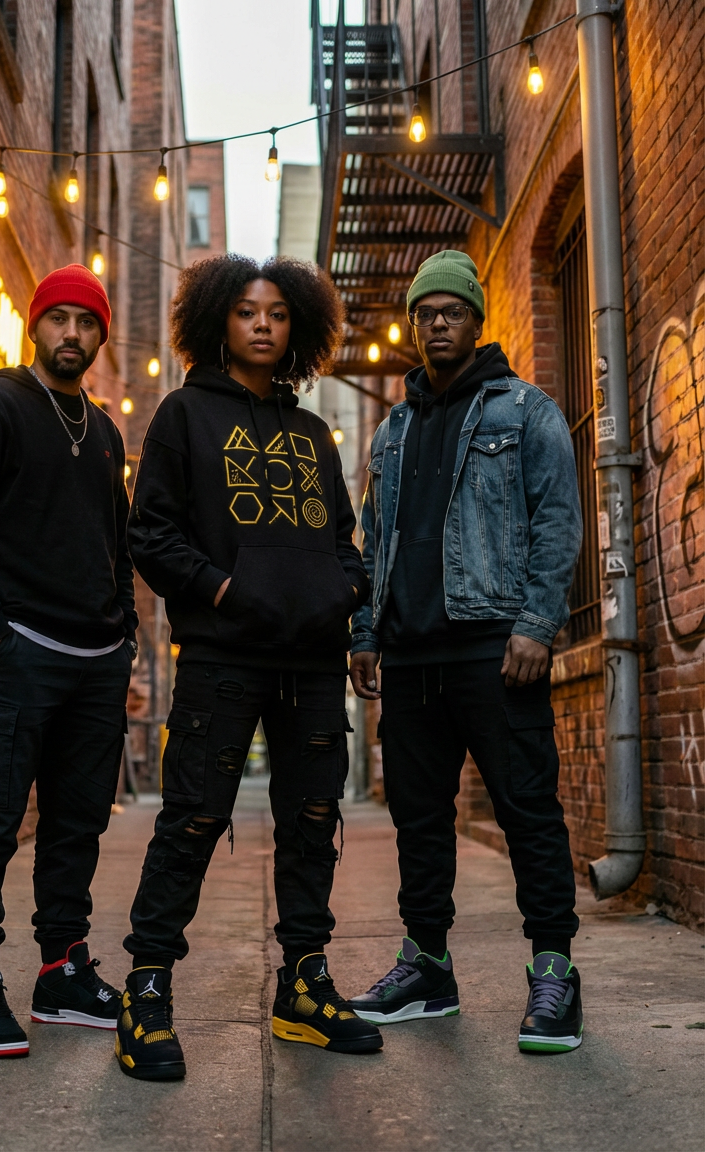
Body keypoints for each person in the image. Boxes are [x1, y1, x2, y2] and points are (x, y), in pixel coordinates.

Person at [114, 254, 383, 1081]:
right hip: (225, 656)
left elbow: (342, 538)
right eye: (245, 311)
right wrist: (226, 590)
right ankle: (146, 992)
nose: (263, 324)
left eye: (276, 313)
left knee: (311, 825)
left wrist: (347, 597)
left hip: (309, 665)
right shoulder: (184, 416)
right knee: (193, 817)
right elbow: (150, 535)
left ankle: (304, 987)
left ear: (295, 325)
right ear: (218, 323)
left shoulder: (310, 434)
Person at [347, 250, 585, 1055]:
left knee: (528, 813)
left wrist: (537, 623)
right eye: (425, 312)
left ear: (477, 321)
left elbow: (557, 520)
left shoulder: (526, 410)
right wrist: (366, 632)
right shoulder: (394, 428)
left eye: (451, 310)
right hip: (411, 659)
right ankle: (428, 965)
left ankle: (554, 969)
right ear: (412, 324)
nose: (437, 322)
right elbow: (373, 538)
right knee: (420, 821)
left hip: (496, 652)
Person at [0, 265, 136, 1058]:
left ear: (100, 335)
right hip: (17, 656)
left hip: (95, 660)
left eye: (87, 322)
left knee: (76, 825)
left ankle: (62, 970)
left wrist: (125, 637)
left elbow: (116, 542)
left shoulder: (107, 431)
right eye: (60, 319)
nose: (72, 334)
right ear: (35, 325)